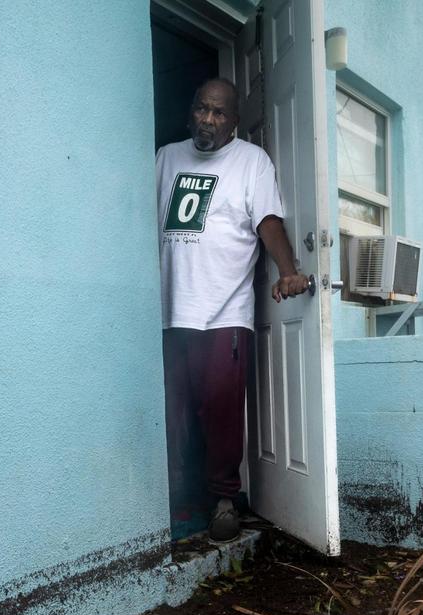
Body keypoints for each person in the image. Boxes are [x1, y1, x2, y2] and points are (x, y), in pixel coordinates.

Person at [156, 77, 308, 543]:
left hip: (225, 311)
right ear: (190, 112)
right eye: (202, 109)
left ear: (234, 123)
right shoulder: (166, 157)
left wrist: (289, 270)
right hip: (169, 312)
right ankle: (182, 502)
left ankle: (225, 499)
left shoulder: (251, 162)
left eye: (219, 113)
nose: (208, 119)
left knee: (221, 412)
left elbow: (268, 222)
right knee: (175, 414)